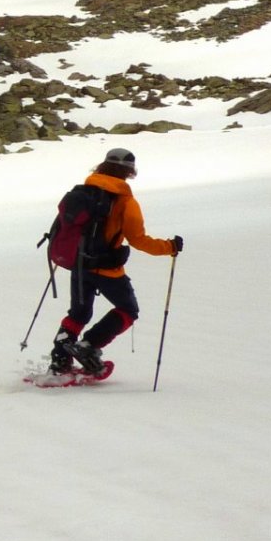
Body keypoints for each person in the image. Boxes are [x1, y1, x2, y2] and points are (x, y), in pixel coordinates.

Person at [50, 147, 182, 376]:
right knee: (128, 310)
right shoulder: (126, 201)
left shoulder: (82, 192)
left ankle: (60, 362)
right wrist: (169, 247)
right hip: (108, 268)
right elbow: (138, 240)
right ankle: (88, 346)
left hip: (79, 265)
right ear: (129, 172)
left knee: (78, 314)